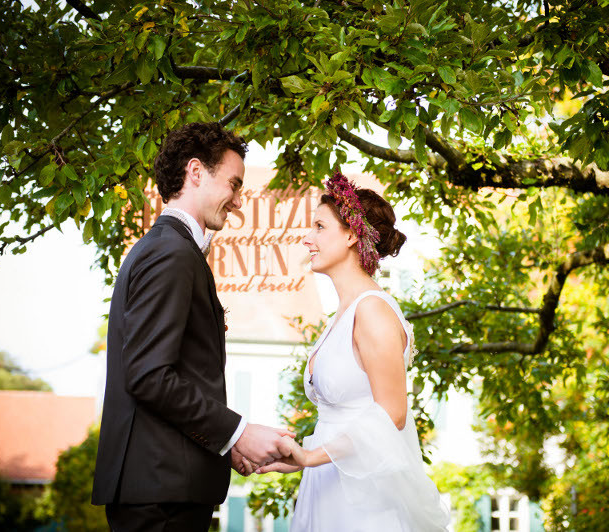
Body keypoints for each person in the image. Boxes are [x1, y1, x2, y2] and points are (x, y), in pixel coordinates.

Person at [92, 122, 293, 531]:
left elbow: (177, 373)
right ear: (196, 172)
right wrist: (237, 433)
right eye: (234, 185)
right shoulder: (171, 254)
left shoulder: (166, 249)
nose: (238, 202)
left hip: (164, 485)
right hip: (161, 495)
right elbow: (149, 376)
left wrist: (222, 445)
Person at [256, 171, 450, 531]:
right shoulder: (341, 315)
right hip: (329, 483)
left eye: (318, 227)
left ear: (349, 235)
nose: (306, 239)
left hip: (366, 497)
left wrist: (313, 456)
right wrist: (299, 456)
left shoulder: (372, 310)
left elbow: (392, 413)